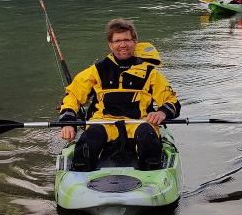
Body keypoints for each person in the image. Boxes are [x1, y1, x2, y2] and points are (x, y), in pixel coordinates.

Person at [59, 18, 181, 172]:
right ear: (110, 45)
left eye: (127, 40)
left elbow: (171, 101)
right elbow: (73, 96)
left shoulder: (150, 73)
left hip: (139, 123)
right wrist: (68, 122)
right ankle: (81, 173)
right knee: (89, 141)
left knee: (148, 137)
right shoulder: (97, 70)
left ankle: (151, 175)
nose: (122, 45)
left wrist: (162, 112)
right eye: (117, 41)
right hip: (103, 123)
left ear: (135, 42)